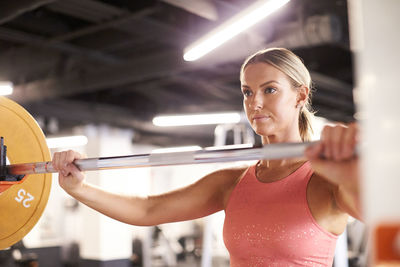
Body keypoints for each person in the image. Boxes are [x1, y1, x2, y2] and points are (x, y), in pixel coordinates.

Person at [52, 48, 361, 266]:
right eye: (247, 91)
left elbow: (386, 217)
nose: (254, 102)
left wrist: (351, 174)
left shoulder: (325, 179)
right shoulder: (232, 182)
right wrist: (79, 188)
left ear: (301, 95)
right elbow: (148, 209)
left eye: (269, 90)